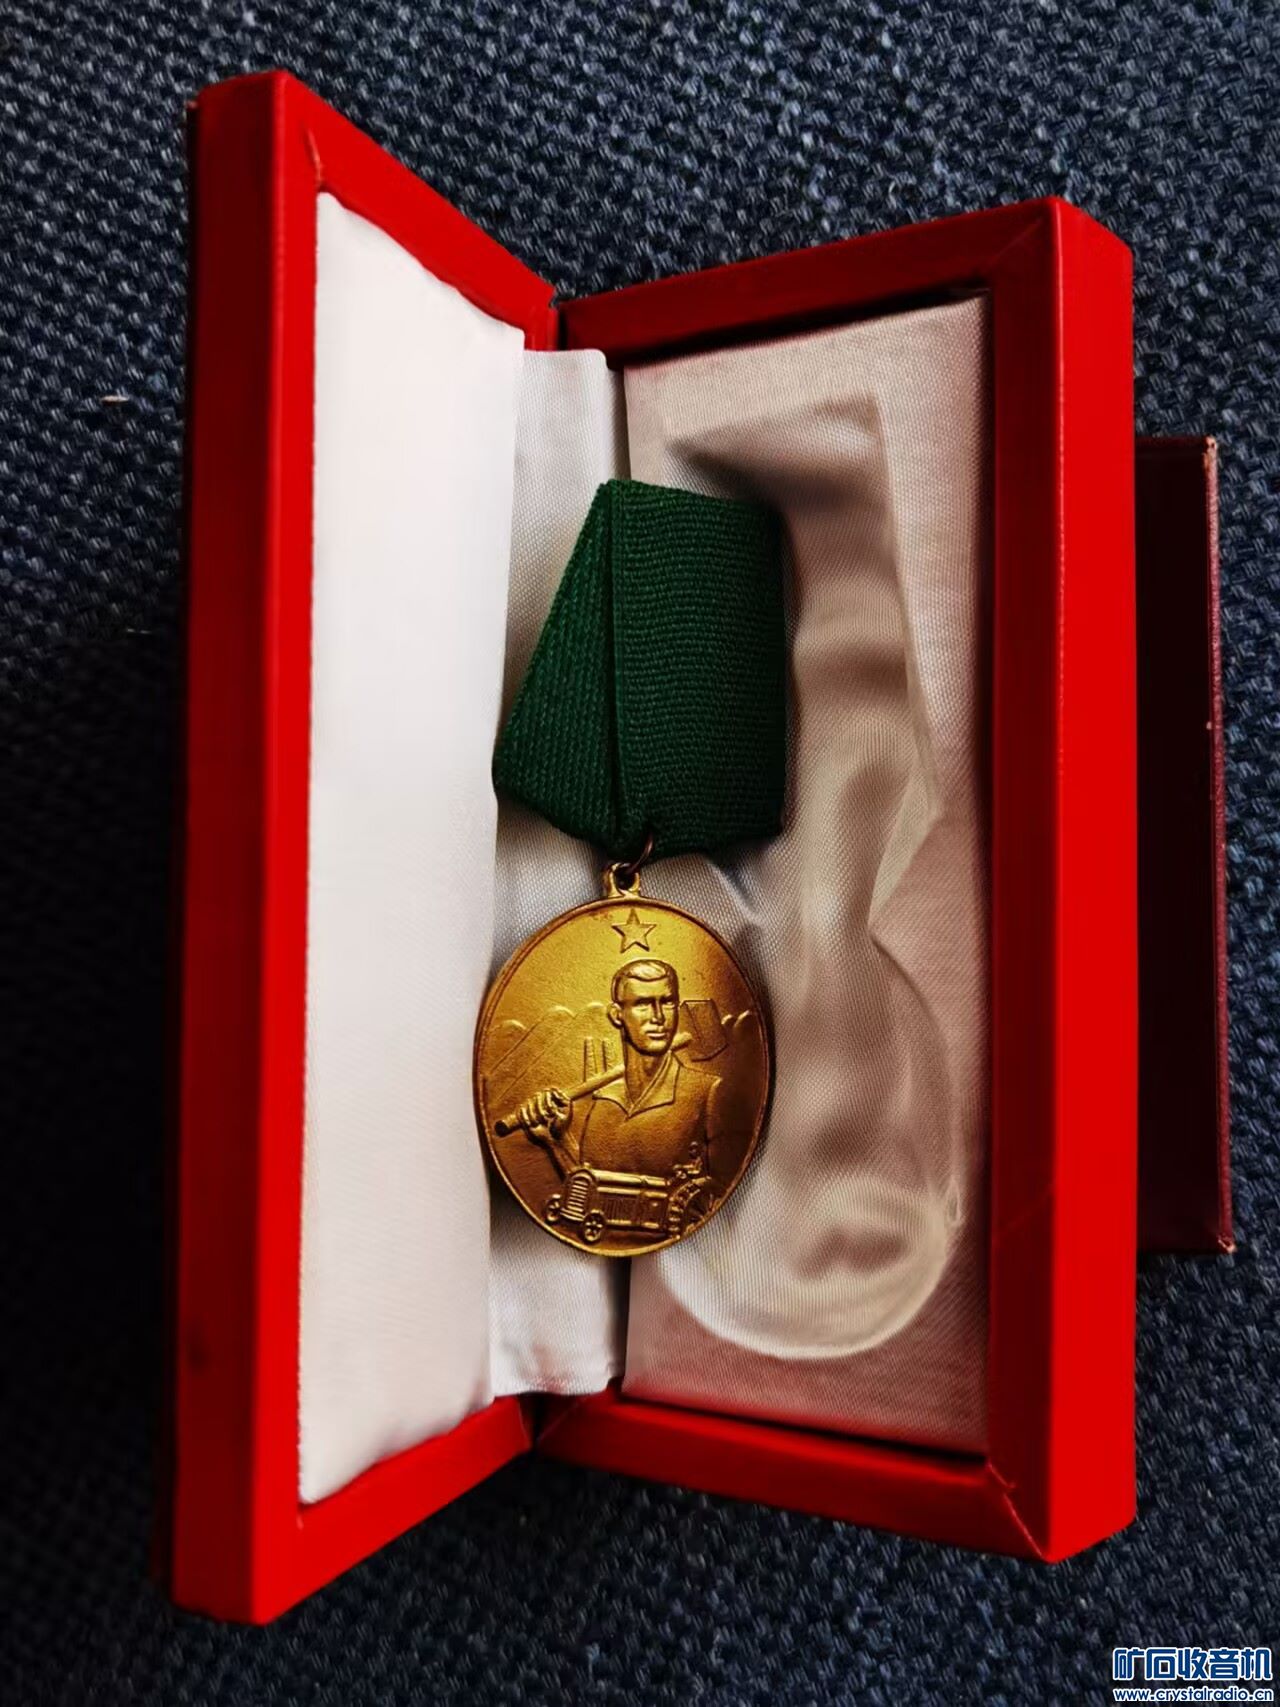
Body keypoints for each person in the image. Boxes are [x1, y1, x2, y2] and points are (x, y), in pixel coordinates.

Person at [515, 958, 724, 1179]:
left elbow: (721, 1187)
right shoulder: (604, 1103)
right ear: (617, 1015)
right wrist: (557, 1140)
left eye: (667, 1002)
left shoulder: (707, 1093)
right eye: (643, 1004)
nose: (658, 1017)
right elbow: (591, 1189)